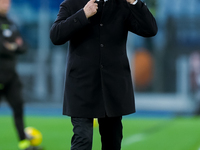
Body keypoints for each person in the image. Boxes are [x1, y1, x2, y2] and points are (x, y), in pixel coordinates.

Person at [50, 0, 157, 149]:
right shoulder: (72, 3)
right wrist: (83, 14)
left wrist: (134, 2)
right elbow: (55, 36)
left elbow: (150, 30)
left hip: (112, 86)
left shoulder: (122, 5)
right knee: (83, 139)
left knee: (112, 141)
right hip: (82, 86)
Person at [0, 0, 42, 150]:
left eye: (8, 2)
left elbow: (24, 47)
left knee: (18, 107)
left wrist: (11, 45)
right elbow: (3, 48)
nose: (7, 5)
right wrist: (13, 45)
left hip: (11, 76)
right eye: (3, 2)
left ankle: (24, 144)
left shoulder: (11, 23)